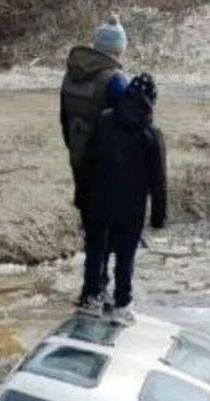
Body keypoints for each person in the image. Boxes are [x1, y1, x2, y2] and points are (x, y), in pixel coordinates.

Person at [74, 73, 167, 326]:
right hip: (131, 207)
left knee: (96, 249)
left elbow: (87, 164)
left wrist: (81, 198)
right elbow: (159, 182)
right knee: (125, 257)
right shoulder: (151, 134)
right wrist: (158, 218)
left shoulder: (104, 121)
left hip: (99, 201)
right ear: (151, 101)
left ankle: (92, 298)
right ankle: (121, 305)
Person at [60, 14, 130, 308]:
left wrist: (76, 152)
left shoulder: (71, 76)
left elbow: (64, 120)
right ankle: (97, 291)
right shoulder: (114, 81)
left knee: (92, 229)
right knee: (108, 232)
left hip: (80, 160)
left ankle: (91, 289)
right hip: (108, 168)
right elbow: (131, 125)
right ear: (118, 49)